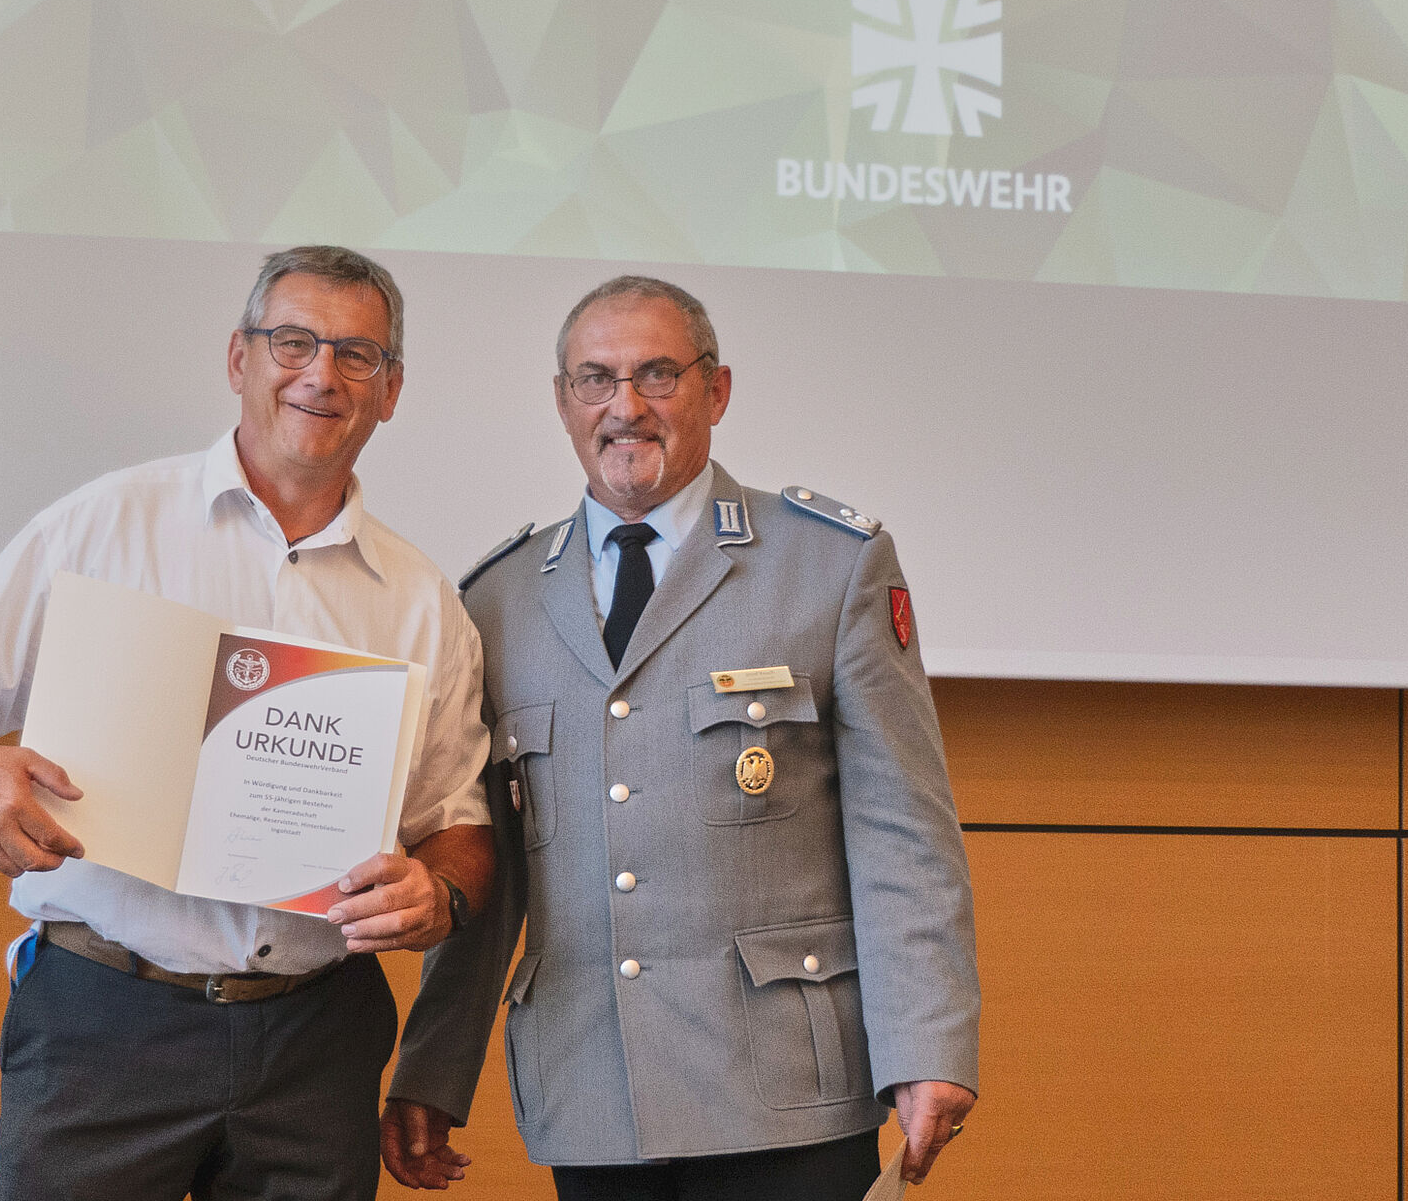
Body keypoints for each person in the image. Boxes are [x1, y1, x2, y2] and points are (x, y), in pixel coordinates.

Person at [0, 246, 492, 1201]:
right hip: (102, 1022)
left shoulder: (422, 602)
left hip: (315, 1040)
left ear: (392, 390)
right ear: (238, 359)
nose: (321, 375)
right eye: (292, 341)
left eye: (356, 355)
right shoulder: (100, 528)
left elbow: (456, 822)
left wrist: (437, 897)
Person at [383, 276, 979, 1199]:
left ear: (716, 390)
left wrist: (927, 1043)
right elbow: (487, 861)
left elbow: (903, 832)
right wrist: (432, 1069)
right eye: (596, 380)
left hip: (785, 1088)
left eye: (658, 375)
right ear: (562, 401)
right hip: (591, 1089)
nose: (625, 406)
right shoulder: (496, 600)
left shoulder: (828, 565)